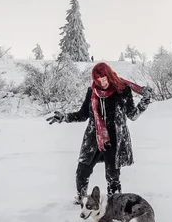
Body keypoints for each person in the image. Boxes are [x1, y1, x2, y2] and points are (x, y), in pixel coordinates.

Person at [47, 62, 153, 204]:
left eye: (104, 77)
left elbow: (132, 115)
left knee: (113, 177)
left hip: (115, 138)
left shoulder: (123, 90)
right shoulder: (92, 92)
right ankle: (82, 200)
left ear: (109, 75)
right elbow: (83, 114)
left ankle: (115, 204)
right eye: (98, 79)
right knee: (82, 171)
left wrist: (145, 101)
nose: (102, 82)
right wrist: (64, 117)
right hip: (94, 137)